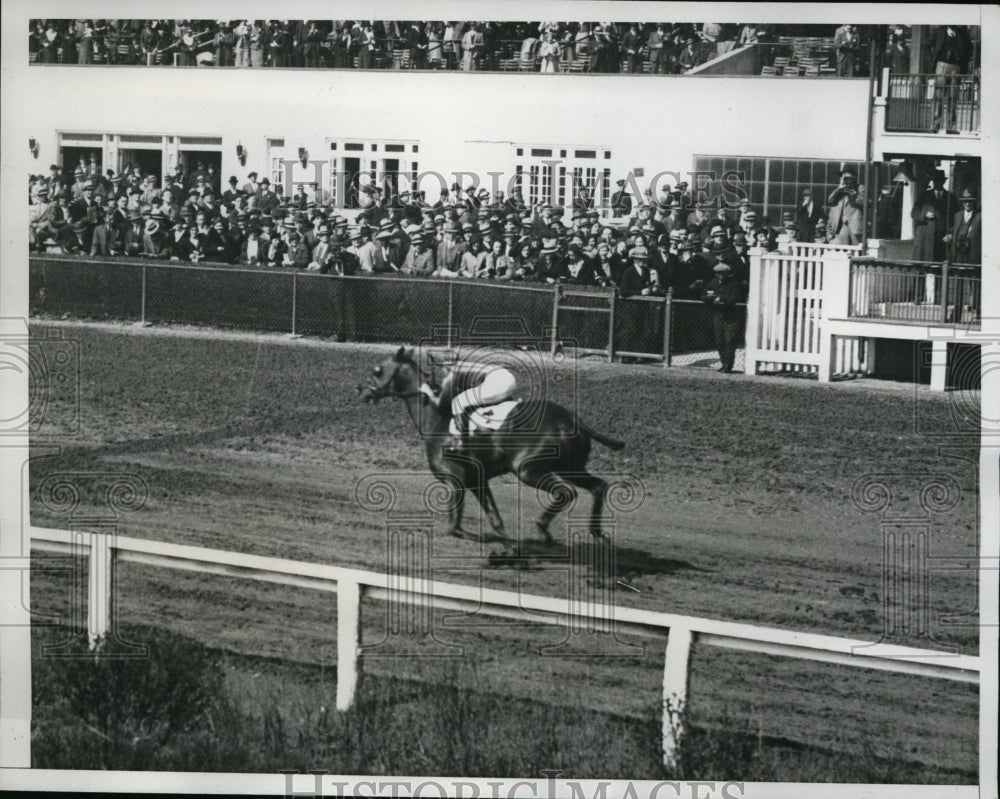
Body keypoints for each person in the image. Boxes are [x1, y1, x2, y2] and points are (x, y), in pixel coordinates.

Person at [426, 355, 519, 454]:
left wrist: (429, 392)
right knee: (476, 399)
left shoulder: (452, 373)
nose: (443, 372)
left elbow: (443, 402)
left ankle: (461, 441)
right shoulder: (464, 366)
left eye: (443, 369)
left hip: (497, 382)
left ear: (446, 367)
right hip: (507, 377)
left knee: (458, 402)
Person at [701, 262, 746, 374]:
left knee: (729, 341)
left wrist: (721, 298)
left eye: (723, 274)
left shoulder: (733, 283)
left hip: (731, 316)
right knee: (720, 341)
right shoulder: (713, 282)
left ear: (728, 274)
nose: (721, 276)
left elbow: (736, 297)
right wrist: (709, 298)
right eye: (719, 274)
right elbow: (703, 295)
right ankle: (723, 363)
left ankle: (728, 365)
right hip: (718, 315)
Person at [910, 170, 955, 262]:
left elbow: (956, 217)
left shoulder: (951, 198)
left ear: (944, 182)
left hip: (942, 238)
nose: (937, 183)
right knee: (924, 263)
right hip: (926, 236)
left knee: (939, 264)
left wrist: (951, 233)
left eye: (939, 181)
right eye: (935, 181)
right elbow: (914, 213)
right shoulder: (924, 195)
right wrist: (924, 215)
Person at [826, 168, 865, 245]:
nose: (846, 179)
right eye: (844, 176)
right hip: (842, 225)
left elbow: (865, 201)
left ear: (854, 177)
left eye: (848, 176)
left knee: (856, 250)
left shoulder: (860, 187)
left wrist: (854, 194)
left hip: (855, 225)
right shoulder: (841, 189)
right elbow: (830, 200)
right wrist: (839, 190)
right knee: (841, 250)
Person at [945, 188, 980, 265]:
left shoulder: (979, 217)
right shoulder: (957, 216)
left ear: (974, 202)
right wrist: (950, 235)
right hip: (958, 255)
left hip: (972, 256)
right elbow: (953, 230)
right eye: (965, 201)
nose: (967, 204)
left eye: (970, 201)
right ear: (962, 202)